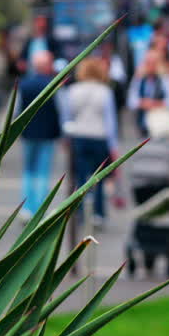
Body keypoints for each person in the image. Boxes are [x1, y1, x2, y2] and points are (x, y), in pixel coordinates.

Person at [60, 57, 120, 227]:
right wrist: (113, 145)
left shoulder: (73, 91)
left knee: (80, 177)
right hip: (99, 136)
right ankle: (98, 213)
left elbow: (67, 116)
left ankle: (80, 211)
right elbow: (110, 121)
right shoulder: (105, 91)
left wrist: (66, 137)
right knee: (98, 177)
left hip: (79, 135)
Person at [17, 51, 62, 218]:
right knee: (42, 172)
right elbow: (59, 111)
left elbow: (18, 110)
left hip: (28, 133)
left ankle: (26, 208)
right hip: (48, 134)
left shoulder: (24, 84)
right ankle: (39, 209)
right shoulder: (53, 84)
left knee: (28, 170)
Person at [127, 49, 169, 135]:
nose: (150, 66)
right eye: (148, 63)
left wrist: (156, 104)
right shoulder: (139, 79)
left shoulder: (164, 79)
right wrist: (143, 103)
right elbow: (131, 101)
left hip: (160, 122)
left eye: (153, 63)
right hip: (142, 122)